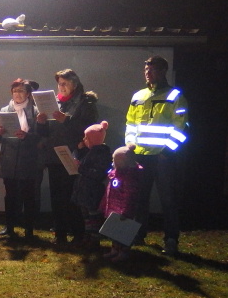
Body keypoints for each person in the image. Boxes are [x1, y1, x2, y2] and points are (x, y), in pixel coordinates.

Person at [125, 55, 188, 255]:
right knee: (139, 199)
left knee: (168, 200)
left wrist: (167, 151)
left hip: (163, 158)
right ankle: (138, 235)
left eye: (152, 69)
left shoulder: (175, 96)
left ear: (163, 71)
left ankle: (171, 240)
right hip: (141, 155)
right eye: (146, 70)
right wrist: (129, 144)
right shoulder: (138, 96)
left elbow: (181, 127)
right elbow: (130, 123)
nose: (148, 73)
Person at [36, 69, 98, 245]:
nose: (61, 87)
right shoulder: (55, 102)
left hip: (74, 155)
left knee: (73, 196)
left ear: (74, 84)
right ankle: (60, 233)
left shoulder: (85, 103)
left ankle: (78, 233)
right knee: (57, 196)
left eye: (65, 83)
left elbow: (90, 129)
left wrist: (67, 120)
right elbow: (45, 133)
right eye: (59, 84)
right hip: (54, 155)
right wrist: (41, 124)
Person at [0, 78, 41, 240]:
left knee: (28, 195)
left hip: (27, 159)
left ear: (28, 94)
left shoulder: (35, 111)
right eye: (15, 91)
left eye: (21, 91)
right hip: (9, 158)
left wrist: (26, 136)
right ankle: (9, 226)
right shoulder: (5, 110)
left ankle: (29, 229)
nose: (17, 94)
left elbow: (41, 136)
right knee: (10, 195)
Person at [71, 121, 112, 250]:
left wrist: (80, 168)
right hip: (85, 191)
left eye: (86, 138)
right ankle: (87, 237)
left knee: (93, 216)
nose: (84, 140)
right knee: (87, 216)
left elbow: (97, 173)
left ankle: (94, 240)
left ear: (93, 140)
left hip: (92, 192)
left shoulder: (101, 154)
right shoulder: (90, 152)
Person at [100, 144, 144, 262]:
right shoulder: (116, 174)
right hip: (114, 208)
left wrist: (125, 211)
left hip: (124, 211)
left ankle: (124, 251)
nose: (113, 163)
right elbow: (110, 191)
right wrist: (105, 205)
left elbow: (129, 196)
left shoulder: (129, 177)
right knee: (114, 230)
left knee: (123, 232)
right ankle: (115, 249)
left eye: (115, 161)